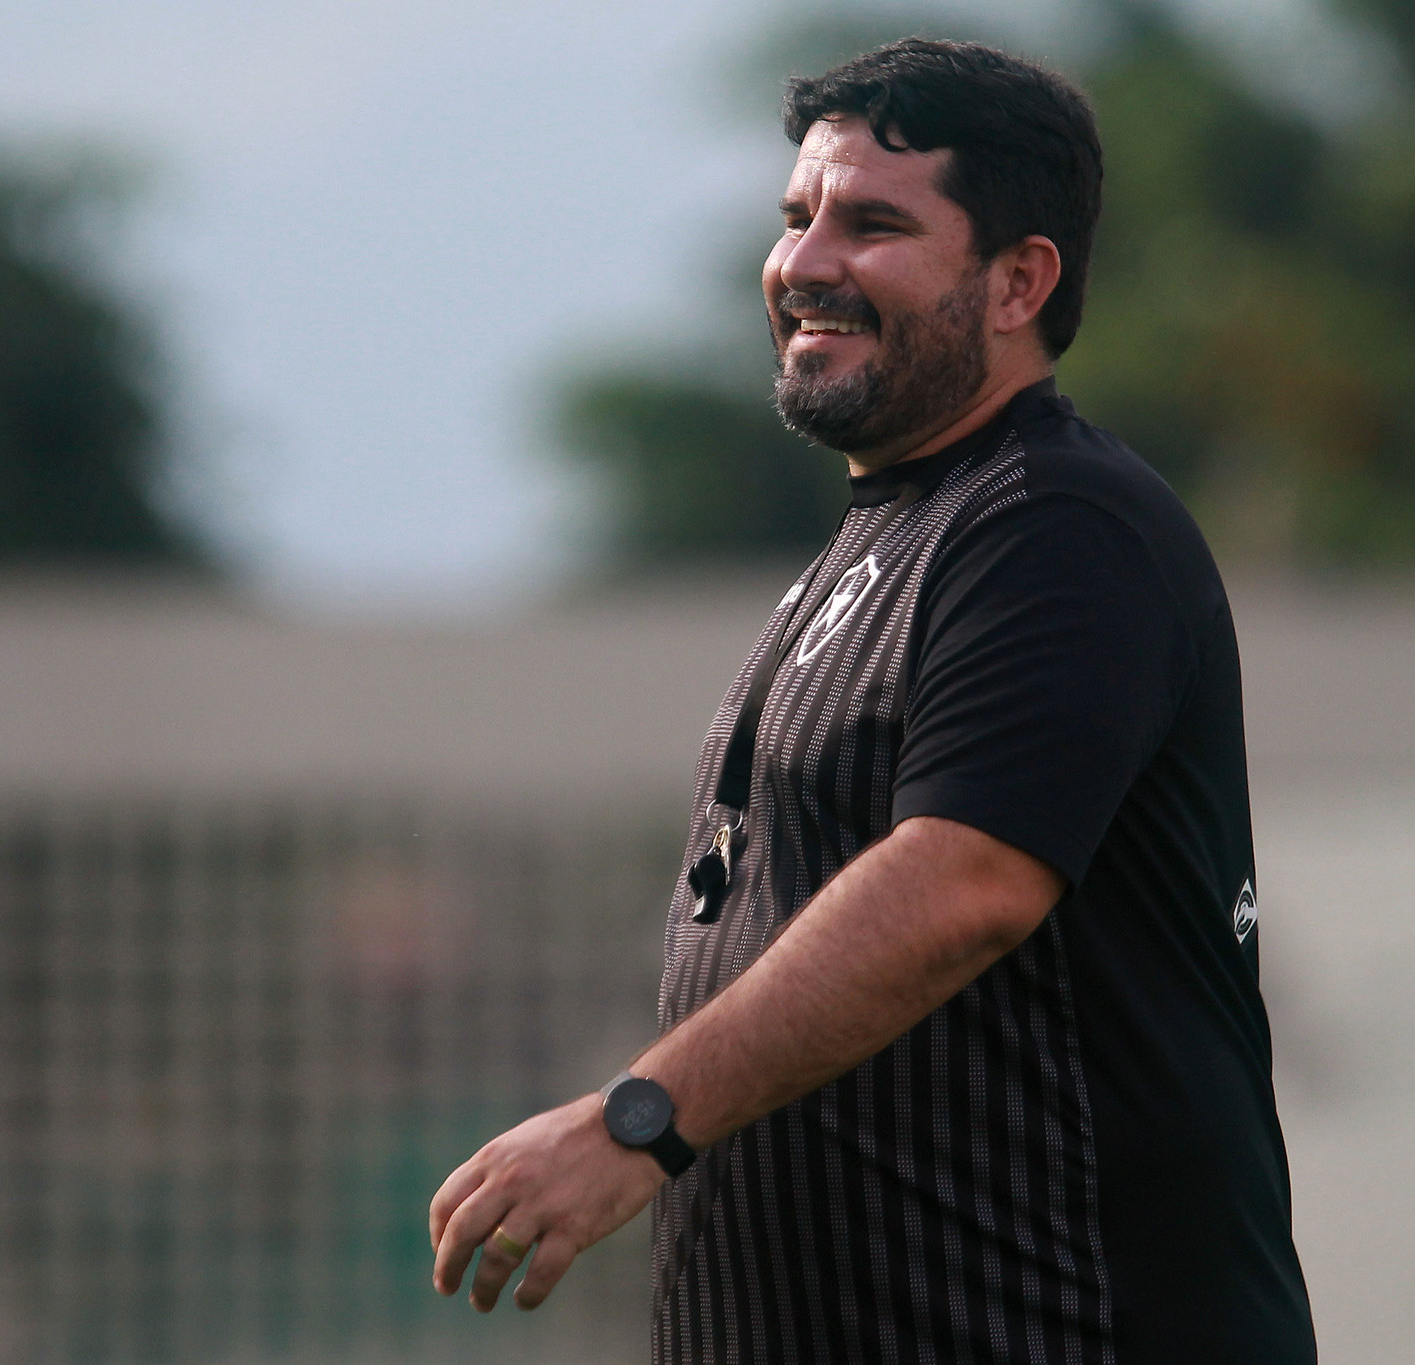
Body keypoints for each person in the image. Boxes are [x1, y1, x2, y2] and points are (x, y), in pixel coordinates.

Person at [428, 38, 1316, 1364]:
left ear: (1020, 280)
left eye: (876, 224)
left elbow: (967, 880)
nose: (807, 263)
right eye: (798, 219)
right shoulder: (891, 537)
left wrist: (641, 1120)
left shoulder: (1055, 521)